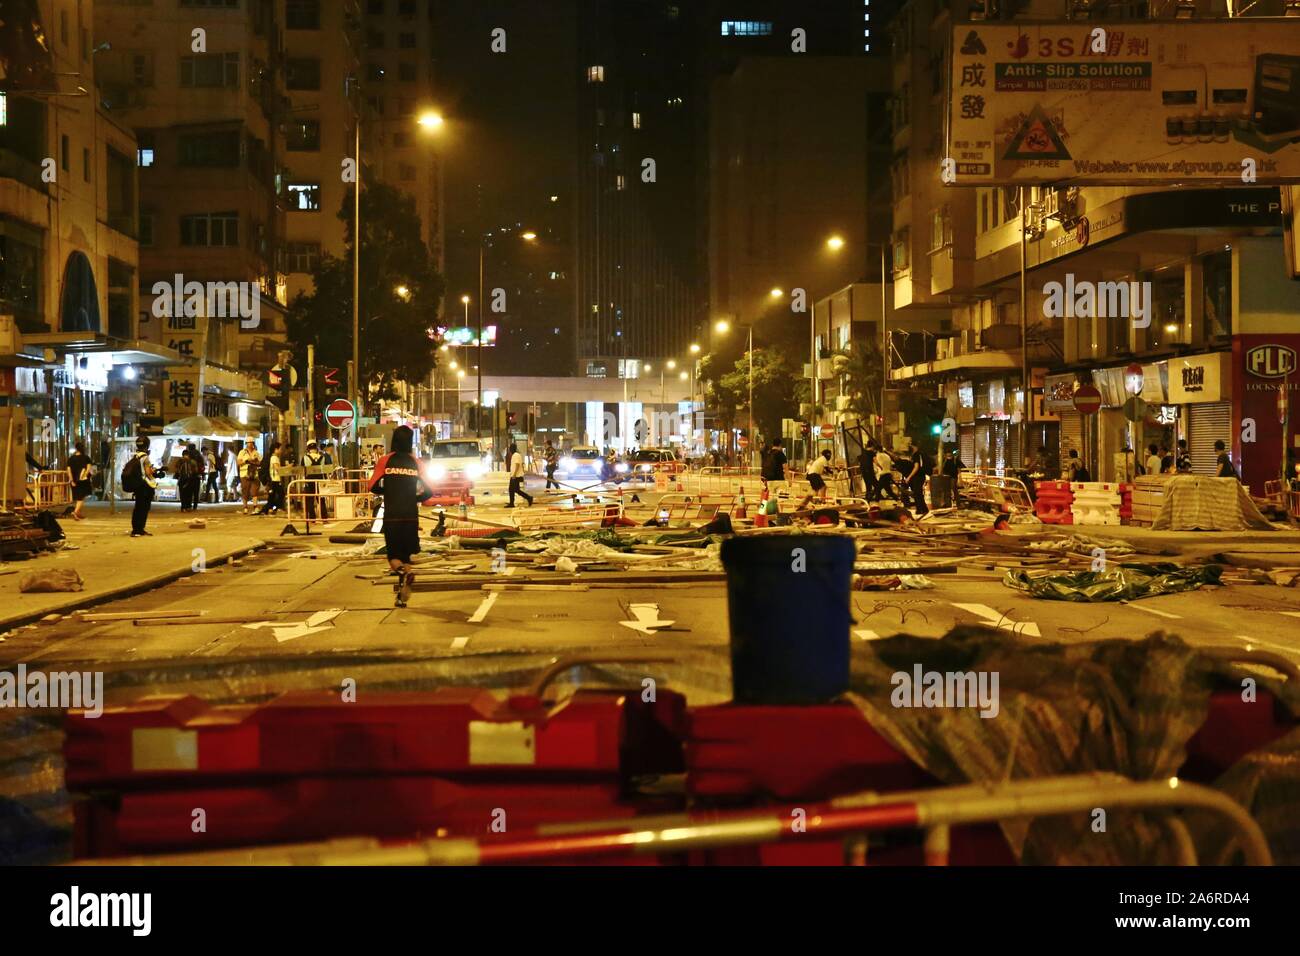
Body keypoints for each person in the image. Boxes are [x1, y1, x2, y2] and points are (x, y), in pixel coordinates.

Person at [367, 425, 432, 595]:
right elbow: (429, 491)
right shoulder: (416, 462)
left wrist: (388, 492)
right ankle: (403, 592)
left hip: (392, 516)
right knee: (406, 557)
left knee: (393, 557)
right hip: (411, 516)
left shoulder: (385, 460)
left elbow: (371, 485)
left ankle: (405, 572)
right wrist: (414, 498)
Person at [126, 436, 159, 536]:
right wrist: (154, 471)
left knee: (138, 506)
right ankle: (138, 529)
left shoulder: (136, 456)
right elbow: (148, 473)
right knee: (144, 507)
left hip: (138, 484)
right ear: (147, 445)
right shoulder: (145, 457)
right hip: (145, 485)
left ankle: (137, 529)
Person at [66, 440, 93, 520]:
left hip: (74, 480)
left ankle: (78, 513)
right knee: (81, 497)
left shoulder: (71, 459)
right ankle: (75, 512)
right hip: (84, 481)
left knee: (78, 497)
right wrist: (84, 476)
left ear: (76, 449)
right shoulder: (86, 458)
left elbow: (69, 471)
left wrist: (71, 480)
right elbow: (88, 469)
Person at [904, 438, 930, 516]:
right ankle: (924, 509)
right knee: (918, 493)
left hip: (918, 476)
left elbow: (916, 467)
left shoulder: (916, 454)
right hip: (921, 476)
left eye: (910, 445)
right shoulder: (921, 453)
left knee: (917, 493)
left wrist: (909, 477)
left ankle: (920, 509)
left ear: (913, 446)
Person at [506, 441, 534, 508]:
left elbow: (517, 465)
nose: (509, 450)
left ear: (512, 449)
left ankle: (529, 498)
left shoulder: (516, 455)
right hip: (514, 475)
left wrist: (514, 475)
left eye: (510, 448)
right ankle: (511, 503)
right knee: (511, 489)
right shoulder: (515, 455)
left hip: (516, 476)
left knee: (516, 490)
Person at [258, 440, 283, 515]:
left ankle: (266, 509)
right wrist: (288, 468)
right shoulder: (274, 458)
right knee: (281, 494)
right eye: (280, 449)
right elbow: (277, 468)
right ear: (276, 449)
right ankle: (274, 508)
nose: (281, 450)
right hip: (274, 480)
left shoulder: (274, 457)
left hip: (274, 480)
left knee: (272, 497)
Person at [237, 440, 261, 514]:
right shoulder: (242, 452)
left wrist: (255, 461)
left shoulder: (256, 453)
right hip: (244, 474)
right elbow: (238, 462)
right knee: (245, 491)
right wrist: (246, 461)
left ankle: (255, 506)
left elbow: (260, 462)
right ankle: (245, 507)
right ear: (246, 443)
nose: (250, 444)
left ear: (253, 443)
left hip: (254, 474)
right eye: (248, 442)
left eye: (251, 442)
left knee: (254, 491)